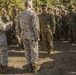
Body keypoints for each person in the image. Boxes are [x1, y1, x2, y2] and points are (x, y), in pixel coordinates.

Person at [16, 0, 40, 73]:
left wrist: (20, 35)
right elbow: (35, 26)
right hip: (32, 35)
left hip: (24, 35)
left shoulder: (20, 14)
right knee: (34, 50)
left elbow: (17, 27)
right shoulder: (32, 13)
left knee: (27, 50)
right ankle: (34, 66)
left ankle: (29, 64)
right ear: (30, 5)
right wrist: (37, 36)